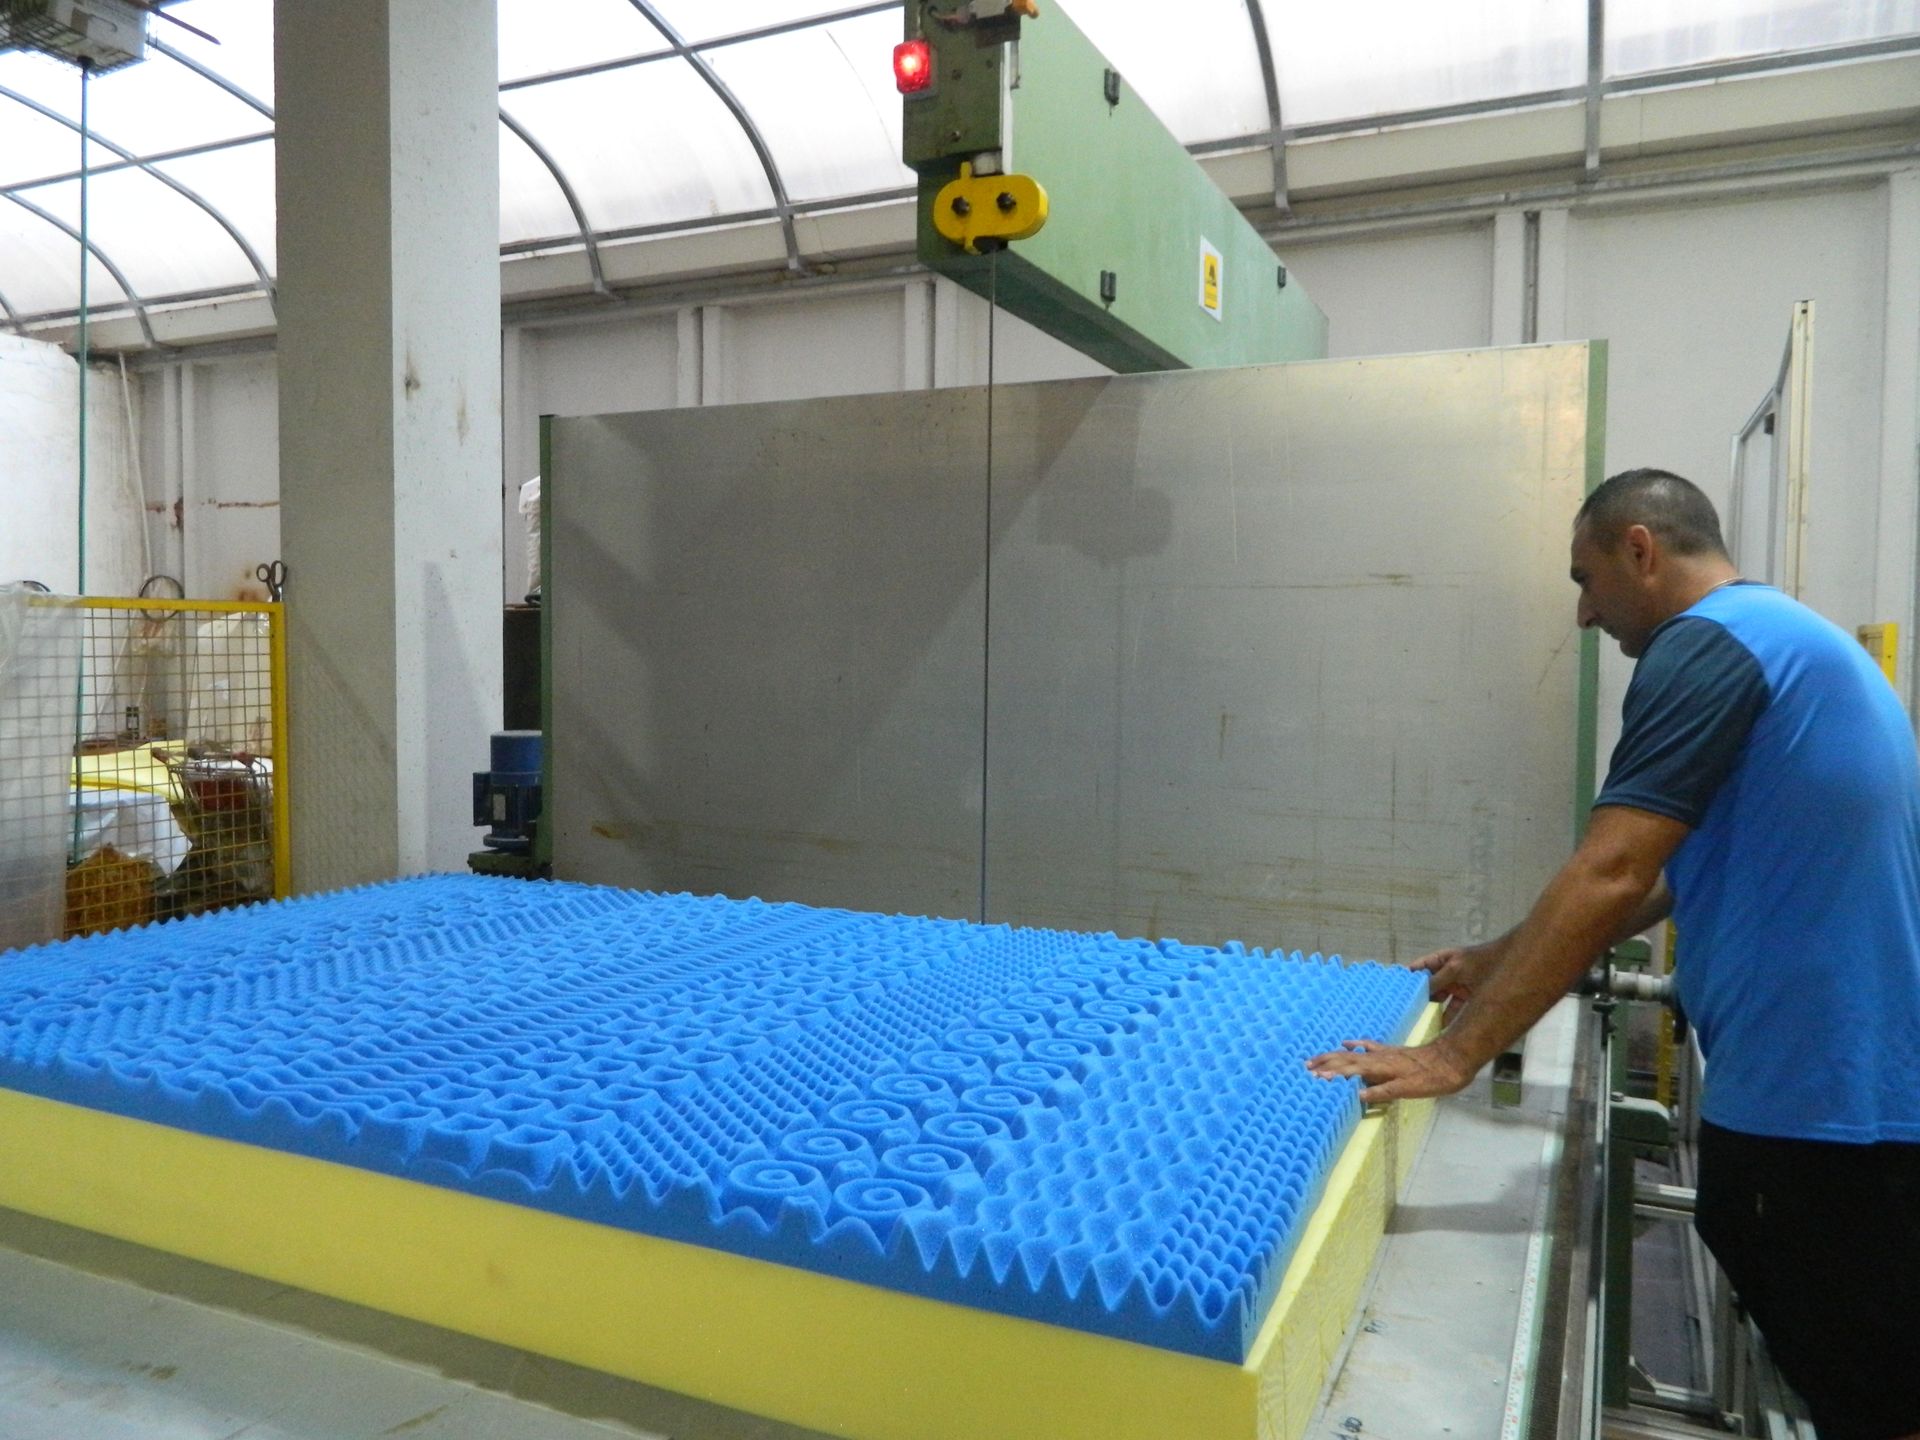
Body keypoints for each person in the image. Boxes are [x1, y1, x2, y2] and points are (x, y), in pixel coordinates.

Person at [1307, 468, 1920, 1439]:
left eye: (1586, 580)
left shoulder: (1704, 648)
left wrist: (1451, 1055)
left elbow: (1613, 873)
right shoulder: (1789, 639)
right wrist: (1498, 956)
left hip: (1820, 1111)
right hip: (1855, 1092)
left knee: (1871, 1404)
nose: (1586, 614)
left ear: (1641, 550)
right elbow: (1688, 865)